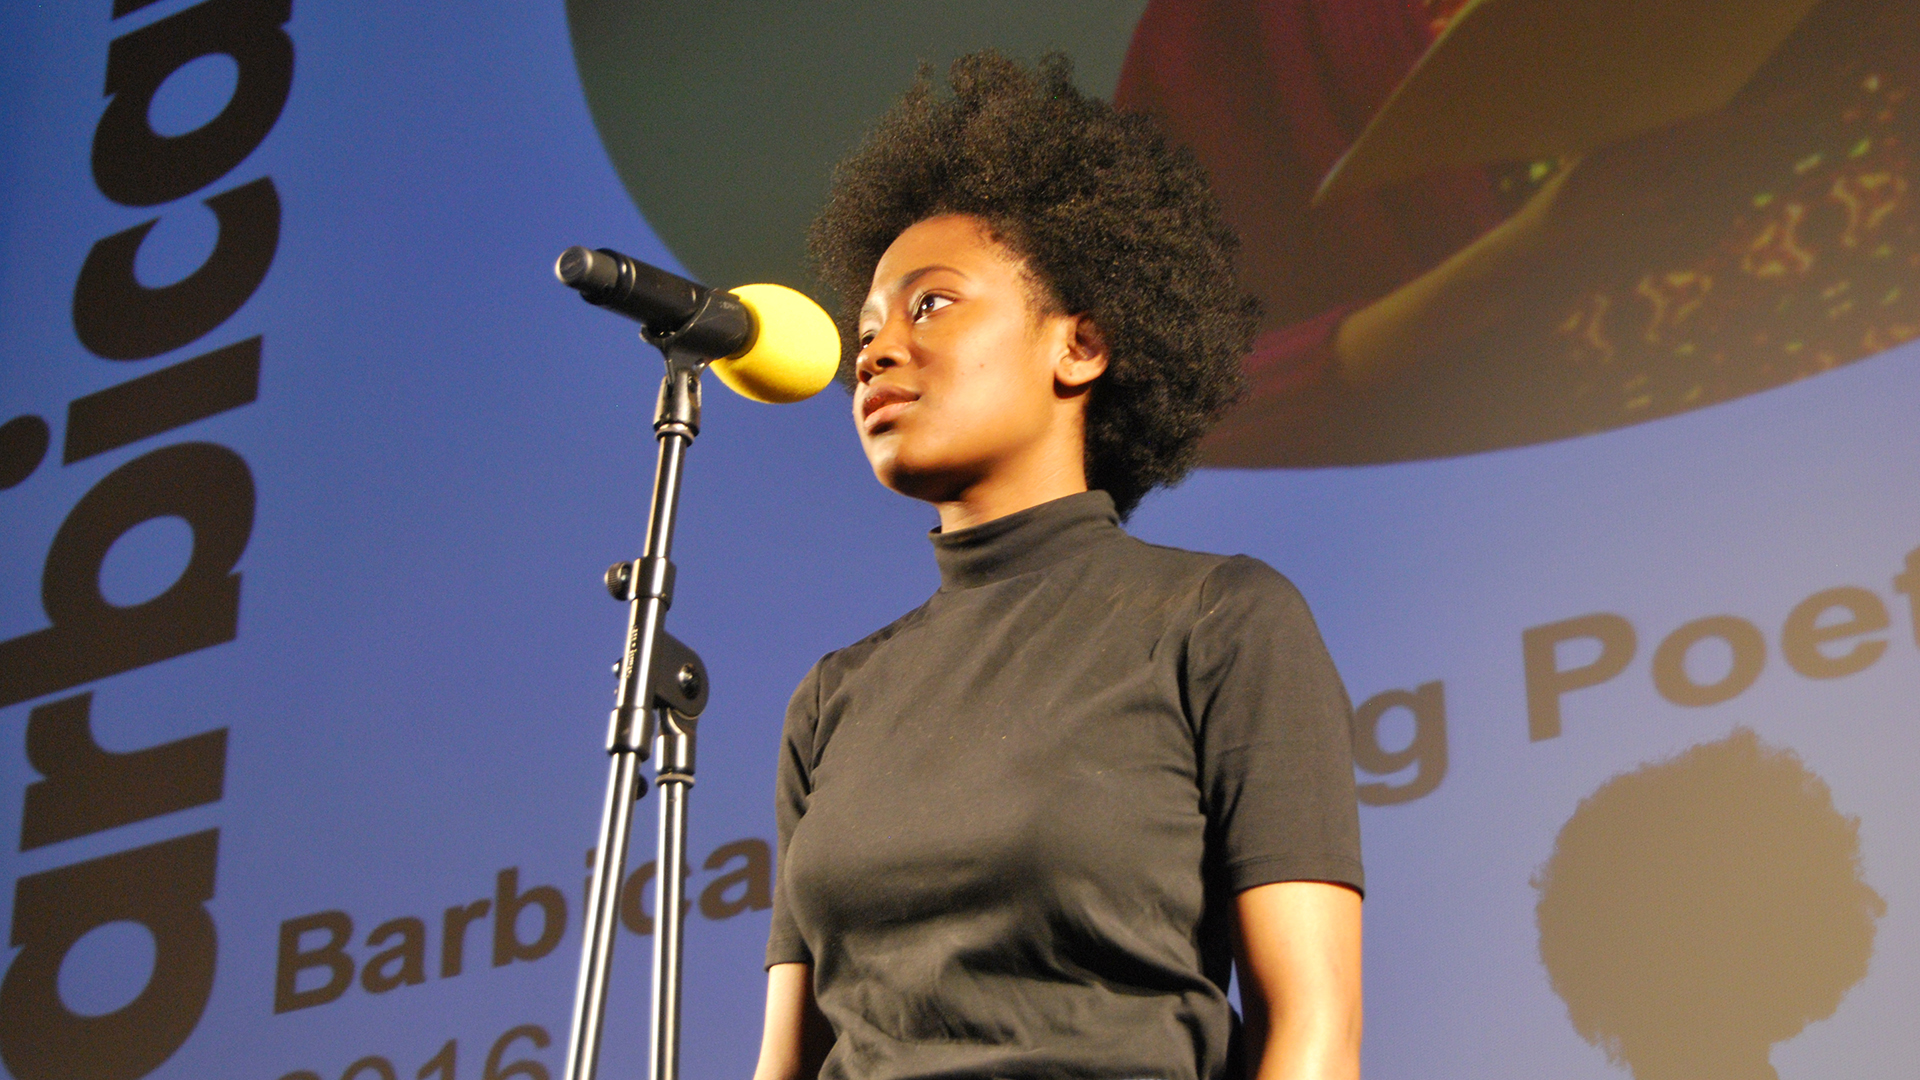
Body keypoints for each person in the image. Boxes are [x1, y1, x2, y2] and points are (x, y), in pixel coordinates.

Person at [752, 52, 1365, 1080]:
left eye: (929, 305)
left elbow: (1315, 1030)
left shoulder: (1220, 620)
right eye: (866, 330)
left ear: (1078, 347)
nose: (875, 351)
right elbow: (787, 1061)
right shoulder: (831, 701)